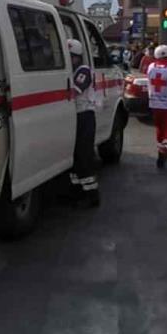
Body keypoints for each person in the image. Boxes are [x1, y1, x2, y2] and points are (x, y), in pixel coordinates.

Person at [68, 39, 100, 209]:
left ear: (77, 57)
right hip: (76, 116)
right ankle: (77, 191)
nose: (69, 60)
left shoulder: (83, 71)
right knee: (75, 156)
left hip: (85, 116)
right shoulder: (74, 70)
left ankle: (92, 195)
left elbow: (75, 91)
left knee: (84, 155)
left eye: (71, 57)